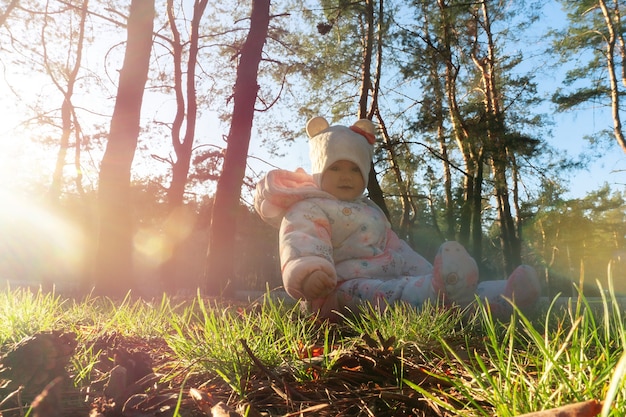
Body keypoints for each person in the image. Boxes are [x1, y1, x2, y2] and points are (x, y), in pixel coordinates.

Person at [254, 116, 540, 321]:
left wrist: (426, 271)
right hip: (338, 291)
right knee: (384, 294)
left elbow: (396, 250)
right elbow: (300, 240)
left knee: (409, 287)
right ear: (319, 172)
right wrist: (310, 273)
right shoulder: (310, 207)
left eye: (355, 170)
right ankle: (436, 295)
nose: (345, 176)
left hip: (389, 278)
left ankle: (502, 297)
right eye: (336, 168)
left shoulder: (370, 210)